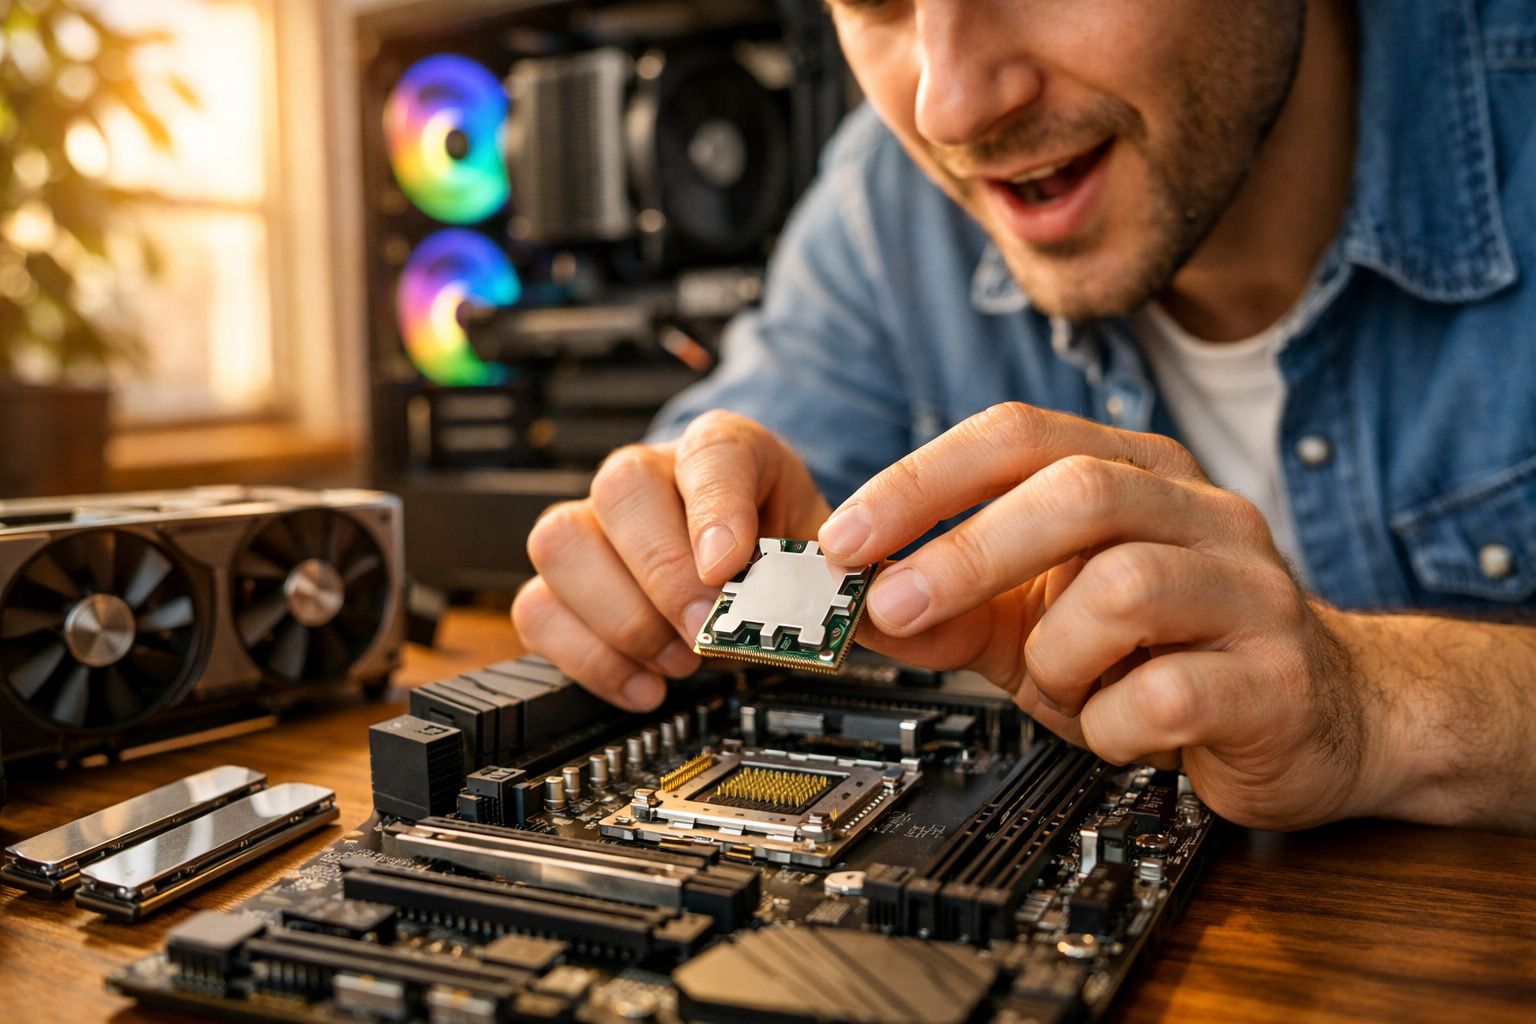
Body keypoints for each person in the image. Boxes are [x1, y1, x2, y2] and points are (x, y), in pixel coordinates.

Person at [512, 0, 1536, 834]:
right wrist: (660, 553)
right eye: (874, 1)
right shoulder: (885, 198)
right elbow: (708, 492)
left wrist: (1376, 703)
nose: (950, 106)